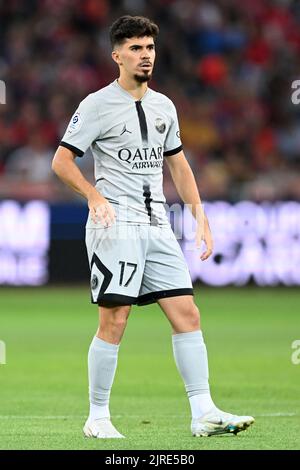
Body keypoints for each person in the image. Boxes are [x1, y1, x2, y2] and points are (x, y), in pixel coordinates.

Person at [52, 15, 254, 438]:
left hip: (159, 221)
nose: (146, 56)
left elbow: (177, 163)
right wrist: (93, 195)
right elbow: (62, 161)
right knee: (116, 318)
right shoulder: (96, 105)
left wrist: (199, 216)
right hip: (116, 222)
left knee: (187, 313)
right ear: (117, 55)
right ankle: (98, 417)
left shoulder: (165, 105)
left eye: (150, 48)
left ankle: (204, 413)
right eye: (137, 49)